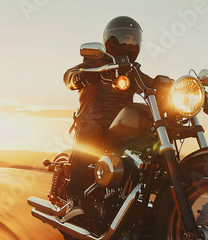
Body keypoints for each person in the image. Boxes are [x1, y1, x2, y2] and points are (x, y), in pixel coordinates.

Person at [62, 16, 154, 218]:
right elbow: (69, 77)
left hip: (119, 128)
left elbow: (151, 83)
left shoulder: (133, 71)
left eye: (133, 39)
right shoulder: (93, 62)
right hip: (92, 122)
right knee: (91, 132)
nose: (129, 43)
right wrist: (83, 75)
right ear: (110, 39)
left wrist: (170, 87)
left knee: (150, 140)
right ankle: (74, 198)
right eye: (124, 38)